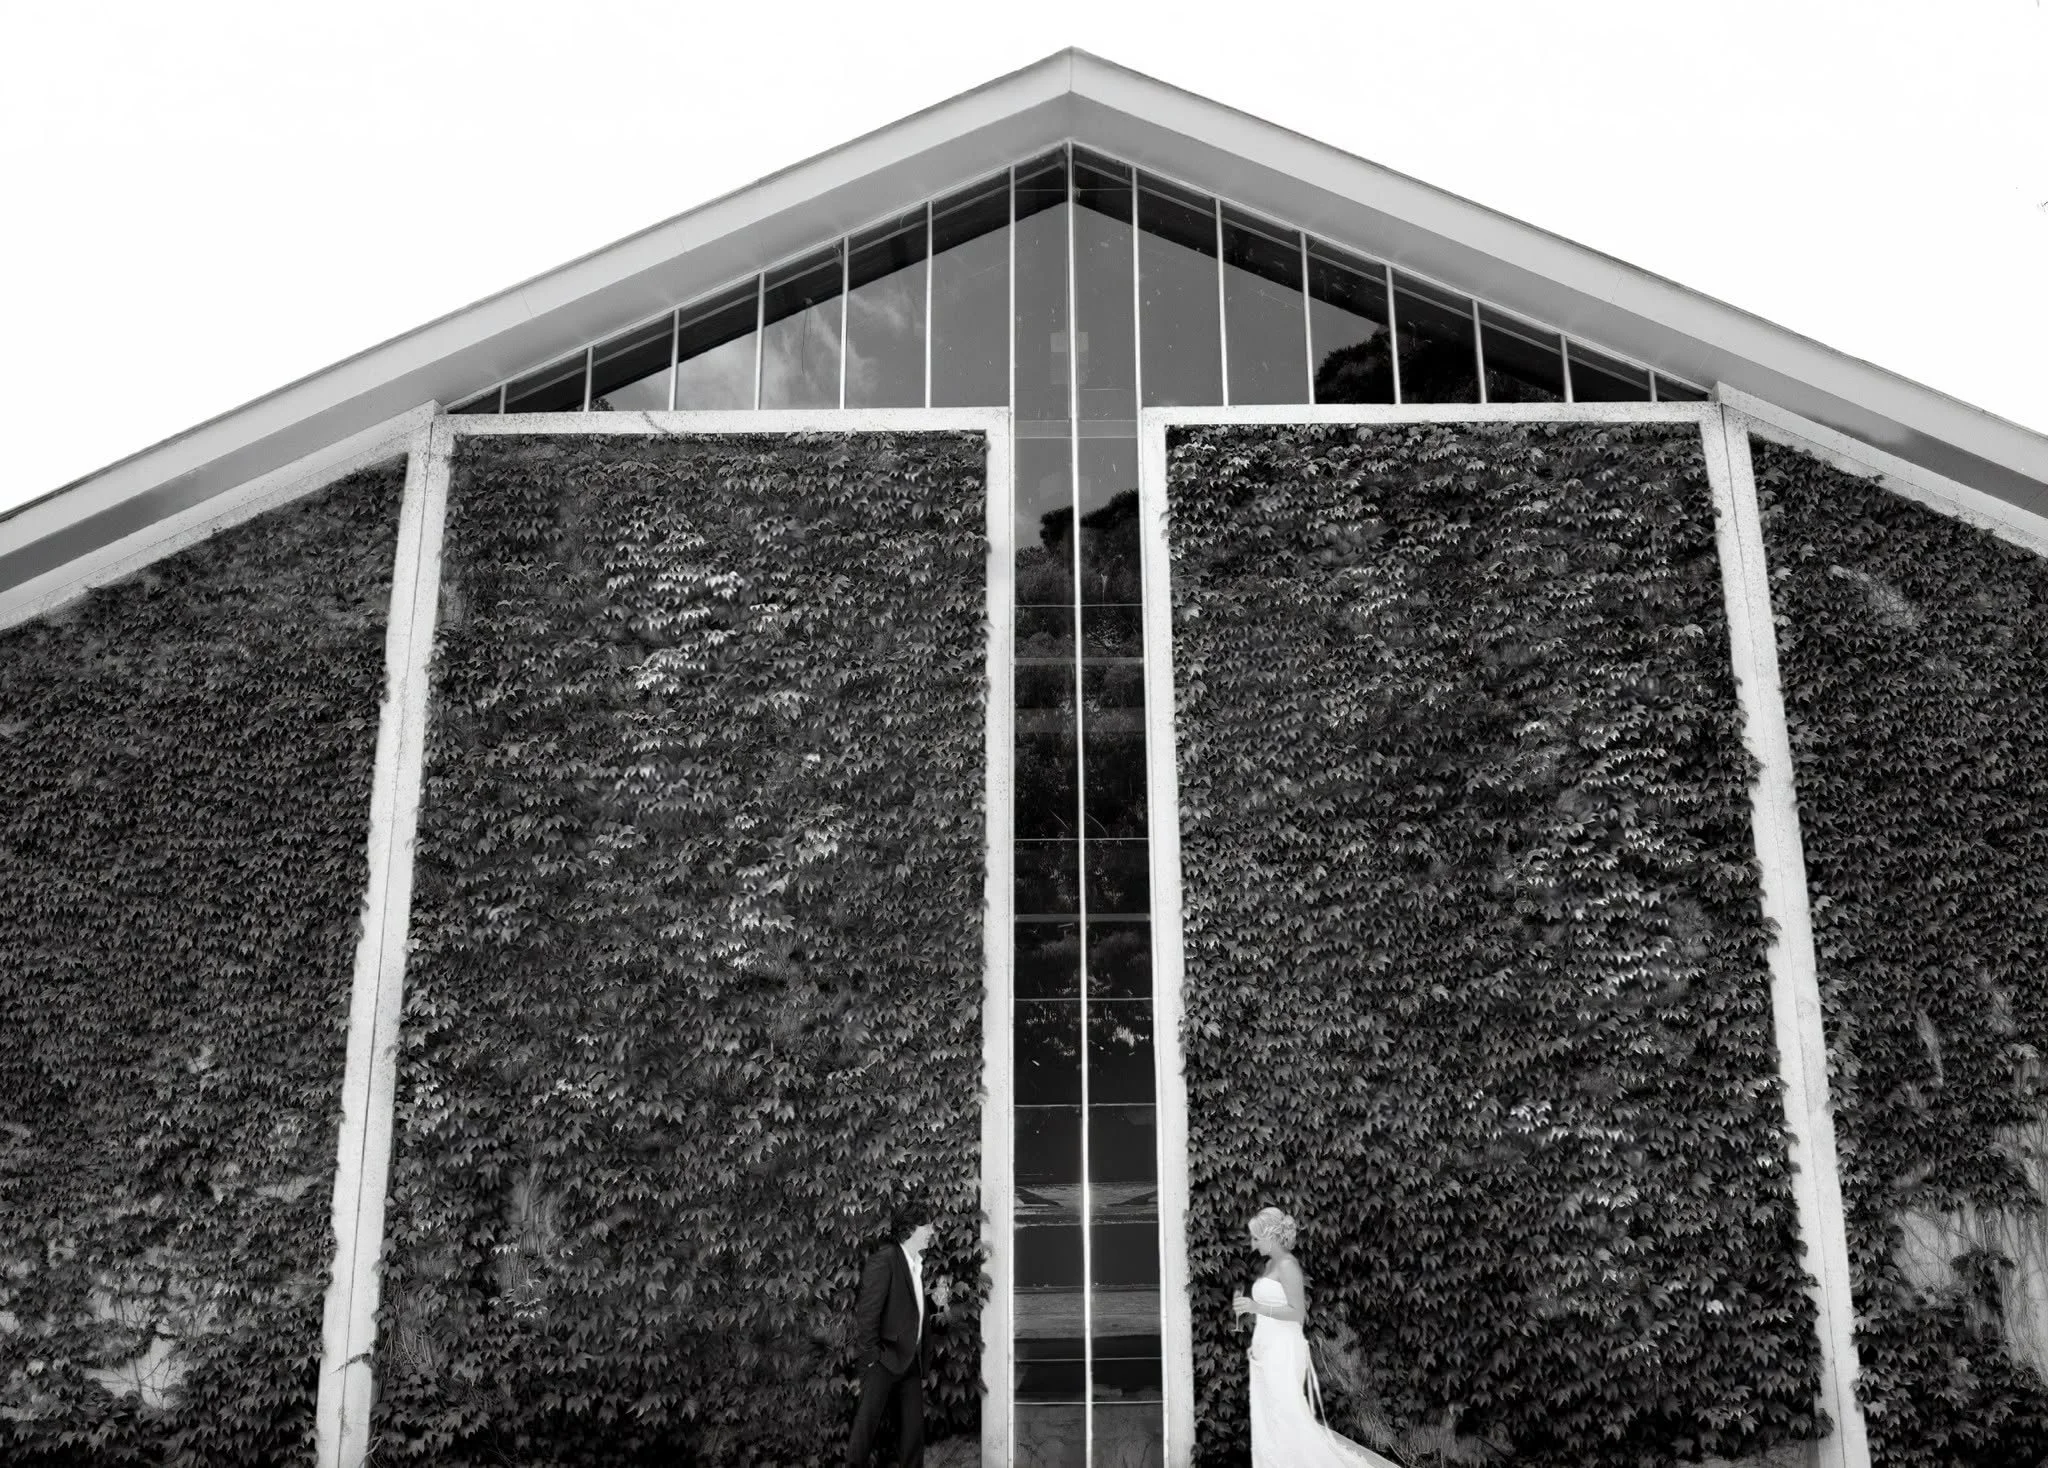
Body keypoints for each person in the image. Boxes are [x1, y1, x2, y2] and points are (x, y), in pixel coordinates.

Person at [1232, 1206, 1397, 1468]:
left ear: (1271, 1236)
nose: (1253, 1244)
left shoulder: (1288, 1266)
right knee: (1268, 1415)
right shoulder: (1269, 1265)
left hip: (1285, 1352)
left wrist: (1256, 1307)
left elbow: (1298, 1314)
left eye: (1256, 1238)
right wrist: (1257, 1344)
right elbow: (1270, 1315)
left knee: (1286, 1413)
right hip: (1268, 1349)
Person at [847, 1202, 951, 1468]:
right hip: (883, 1361)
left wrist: (939, 1306)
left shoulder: (916, 1264)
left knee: (913, 1436)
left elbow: (911, 1313)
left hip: (909, 1364)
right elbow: (868, 1314)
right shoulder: (885, 1260)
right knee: (865, 1432)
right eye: (926, 1226)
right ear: (910, 1230)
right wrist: (872, 1358)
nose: (931, 1231)